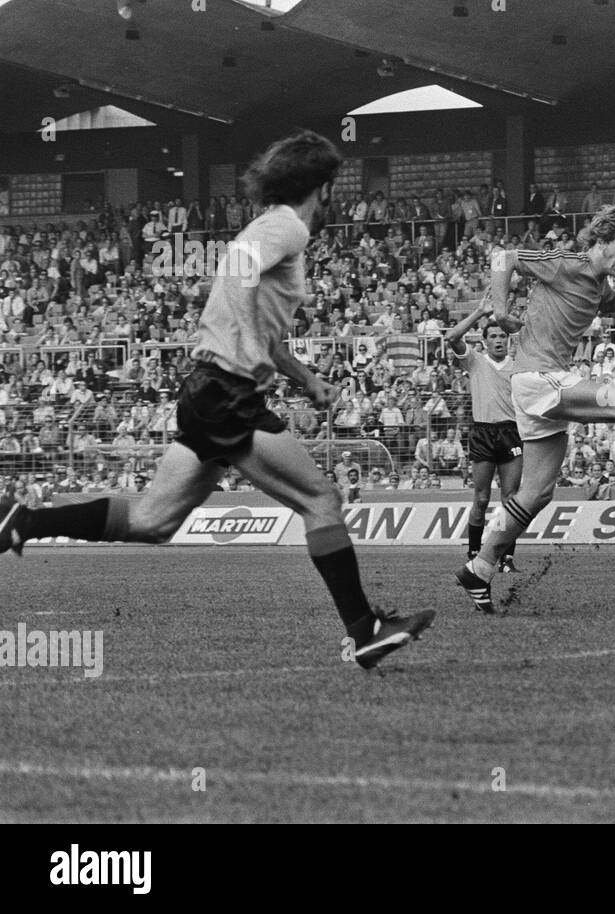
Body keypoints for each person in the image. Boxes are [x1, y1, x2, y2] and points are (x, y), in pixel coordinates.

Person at [0, 130, 434, 670]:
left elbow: (259, 316)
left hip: (211, 388)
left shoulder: (273, 225)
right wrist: (247, 342)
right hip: (228, 391)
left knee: (152, 523)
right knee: (320, 500)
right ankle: (364, 629)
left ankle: (21, 521)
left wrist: (306, 378)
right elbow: (242, 266)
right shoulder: (287, 225)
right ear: (322, 187)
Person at [453, 205, 615, 612]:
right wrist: (501, 308)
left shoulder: (598, 282)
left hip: (540, 387)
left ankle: (481, 567)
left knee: (536, 493)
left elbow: (608, 302)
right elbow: (503, 258)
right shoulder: (566, 263)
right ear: (601, 239)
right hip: (538, 378)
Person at [445, 296, 522, 574]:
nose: (499, 340)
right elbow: (452, 337)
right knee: (480, 498)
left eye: (503, 336)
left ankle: (506, 557)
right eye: (493, 336)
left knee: (511, 498)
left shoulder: (518, 365)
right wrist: (479, 311)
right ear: (485, 340)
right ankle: (475, 552)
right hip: (483, 432)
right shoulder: (475, 361)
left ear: (508, 340)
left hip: (511, 432)